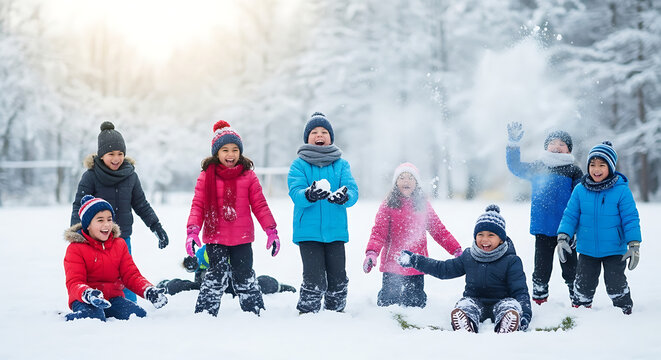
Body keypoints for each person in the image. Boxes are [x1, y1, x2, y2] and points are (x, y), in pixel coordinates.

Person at [186, 120, 280, 316]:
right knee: (214, 277)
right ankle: (204, 315)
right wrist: (192, 231)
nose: (230, 154)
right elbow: (198, 205)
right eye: (225, 150)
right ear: (217, 153)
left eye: (235, 149)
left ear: (240, 152)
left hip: (242, 238)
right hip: (215, 237)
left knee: (245, 275)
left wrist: (271, 231)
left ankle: (254, 313)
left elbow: (260, 205)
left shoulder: (248, 176)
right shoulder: (206, 176)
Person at [70, 121, 169, 303]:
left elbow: (141, 204)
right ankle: (95, 301)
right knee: (99, 275)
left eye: (120, 153)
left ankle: (128, 305)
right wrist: (78, 232)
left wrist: (156, 227)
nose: (116, 158)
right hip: (95, 239)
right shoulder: (90, 176)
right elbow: (79, 205)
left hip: (122, 238)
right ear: (101, 155)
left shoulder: (130, 176)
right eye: (111, 154)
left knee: (126, 274)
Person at [398, 205, 532, 333]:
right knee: (465, 305)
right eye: (480, 234)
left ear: (501, 239)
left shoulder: (511, 260)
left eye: (491, 235)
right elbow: (443, 269)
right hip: (475, 300)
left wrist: (525, 315)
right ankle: (466, 323)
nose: (485, 239)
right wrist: (415, 260)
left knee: (510, 305)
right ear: (475, 236)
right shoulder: (469, 256)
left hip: (502, 301)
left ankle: (508, 322)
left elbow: (520, 292)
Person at [556, 141, 642, 314]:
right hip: (587, 249)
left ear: (610, 167)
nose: (596, 169)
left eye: (602, 165)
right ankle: (580, 311)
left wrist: (634, 244)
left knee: (615, 283)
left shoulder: (621, 191)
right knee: (583, 285)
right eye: (592, 164)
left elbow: (630, 218)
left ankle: (624, 310)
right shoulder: (580, 190)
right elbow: (570, 215)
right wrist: (563, 235)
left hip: (614, 249)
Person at [287, 112, 359, 314]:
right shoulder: (299, 165)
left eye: (324, 131)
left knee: (337, 276)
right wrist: (308, 194)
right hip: (308, 232)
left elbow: (352, 190)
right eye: (315, 132)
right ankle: (308, 312)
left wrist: (345, 197)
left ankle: (335, 312)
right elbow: (295, 191)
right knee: (314, 276)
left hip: (335, 231)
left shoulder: (341, 164)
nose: (320, 135)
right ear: (307, 137)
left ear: (331, 137)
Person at [363, 162, 462, 308]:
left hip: (416, 263)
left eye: (410, 178)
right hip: (393, 263)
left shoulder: (423, 205)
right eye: (402, 178)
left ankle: (417, 301)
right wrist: (372, 253)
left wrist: (456, 250)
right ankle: (384, 300)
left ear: (416, 183)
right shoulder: (388, 205)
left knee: (416, 303)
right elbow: (378, 232)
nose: (406, 181)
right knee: (388, 303)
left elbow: (439, 231)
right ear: (396, 182)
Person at [506, 122, 583, 305]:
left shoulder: (573, 170)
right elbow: (515, 166)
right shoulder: (538, 166)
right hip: (543, 227)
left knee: (571, 268)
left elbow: (581, 199)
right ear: (546, 147)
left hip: (567, 229)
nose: (556, 146)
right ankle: (539, 301)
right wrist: (513, 144)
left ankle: (578, 300)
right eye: (552, 143)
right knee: (541, 269)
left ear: (568, 150)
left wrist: (579, 227)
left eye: (562, 144)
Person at [64, 195, 168, 321]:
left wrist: (148, 290)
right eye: (100, 220)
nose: (107, 224)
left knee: (138, 315)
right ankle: (68, 319)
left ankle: (104, 312)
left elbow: (131, 275)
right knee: (95, 317)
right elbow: (74, 282)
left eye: (109, 219)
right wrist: (88, 293)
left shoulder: (119, 244)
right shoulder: (76, 248)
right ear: (88, 225)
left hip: (112, 298)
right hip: (85, 299)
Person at [157, 244, 296, 296]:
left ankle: (279, 287)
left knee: (257, 285)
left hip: (232, 284)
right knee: (185, 288)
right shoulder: (211, 248)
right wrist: (191, 264)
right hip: (208, 283)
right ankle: (166, 286)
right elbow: (198, 260)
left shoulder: (239, 249)